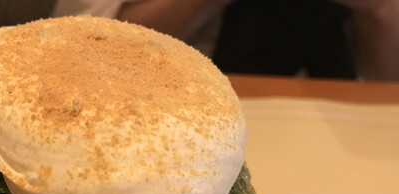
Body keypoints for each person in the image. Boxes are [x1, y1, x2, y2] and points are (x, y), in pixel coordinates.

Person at [52, 0, 399, 81]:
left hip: (352, 125)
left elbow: (386, 87)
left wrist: (379, 10)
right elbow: (80, 48)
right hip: (177, 111)